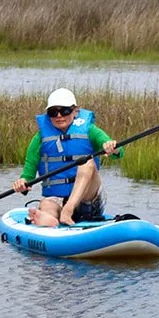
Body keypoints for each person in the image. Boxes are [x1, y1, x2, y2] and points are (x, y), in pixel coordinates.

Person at [12, 88, 120, 227]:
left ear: (75, 111)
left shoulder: (90, 130)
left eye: (64, 111)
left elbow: (119, 152)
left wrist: (112, 147)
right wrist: (22, 183)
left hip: (87, 200)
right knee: (47, 204)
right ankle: (48, 220)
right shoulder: (39, 138)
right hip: (56, 198)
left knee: (87, 162)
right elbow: (28, 174)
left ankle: (67, 211)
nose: (59, 116)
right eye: (53, 112)